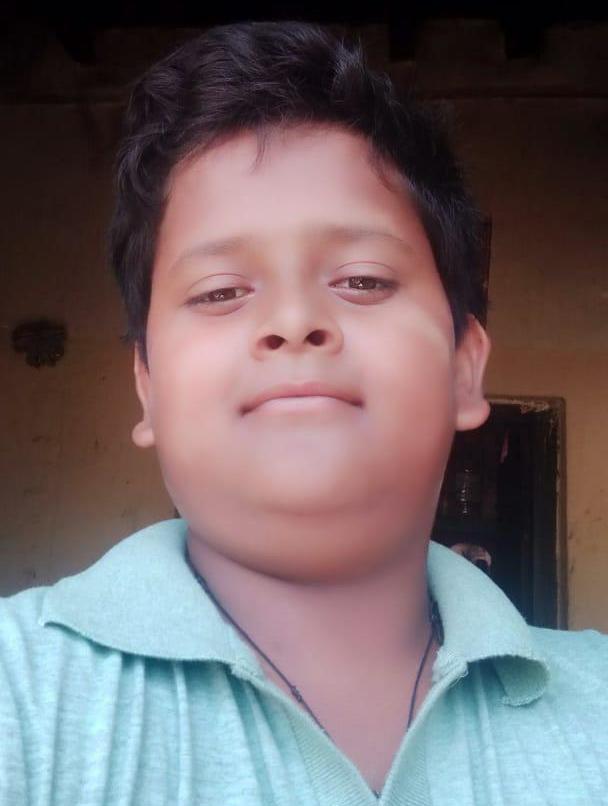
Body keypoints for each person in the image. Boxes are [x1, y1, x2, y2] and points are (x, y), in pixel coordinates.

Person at [1, 20, 607, 806]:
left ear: (464, 367)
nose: (292, 321)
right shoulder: (22, 694)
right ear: (147, 386)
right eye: (220, 291)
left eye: (363, 280)